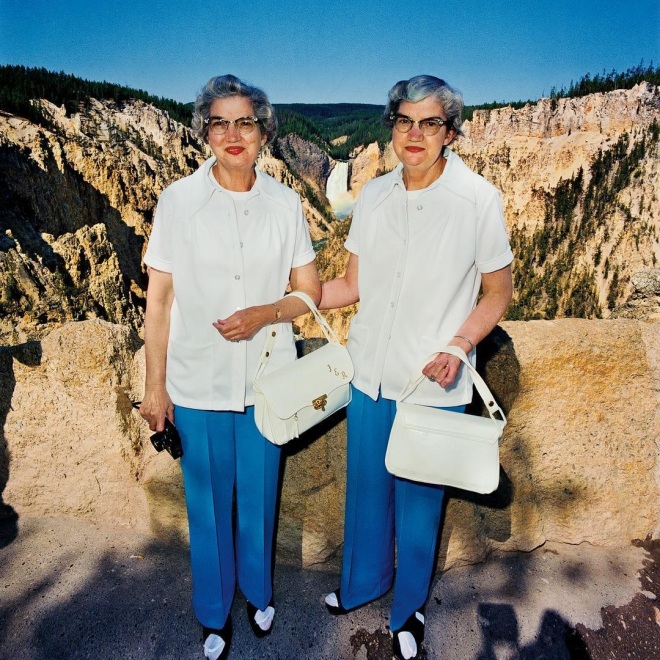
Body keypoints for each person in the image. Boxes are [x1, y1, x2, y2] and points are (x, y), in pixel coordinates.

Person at [319, 75, 513, 660]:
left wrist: (459, 345)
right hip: (369, 371)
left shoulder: (478, 199)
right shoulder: (373, 196)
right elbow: (351, 285)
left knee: (421, 500)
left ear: (450, 131)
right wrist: (290, 289)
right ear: (392, 126)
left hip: (432, 378)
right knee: (367, 491)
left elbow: (498, 292)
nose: (415, 133)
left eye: (430, 123)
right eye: (405, 120)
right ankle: (362, 585)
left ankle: (408, 612)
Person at [139, 74, 321, 660]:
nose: (232, 134)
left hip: (267, 383)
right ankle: (213, 615)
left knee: (261, 498)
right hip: (197, 384)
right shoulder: (177, 202)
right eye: (220, 122)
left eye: (245, 122)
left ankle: (259, 593)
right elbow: (160, 302)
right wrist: (155, 387)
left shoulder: (286, 203)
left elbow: (310, 294)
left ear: (264, 131)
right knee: (208, 507)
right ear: (204, 132)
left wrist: (265, 313)